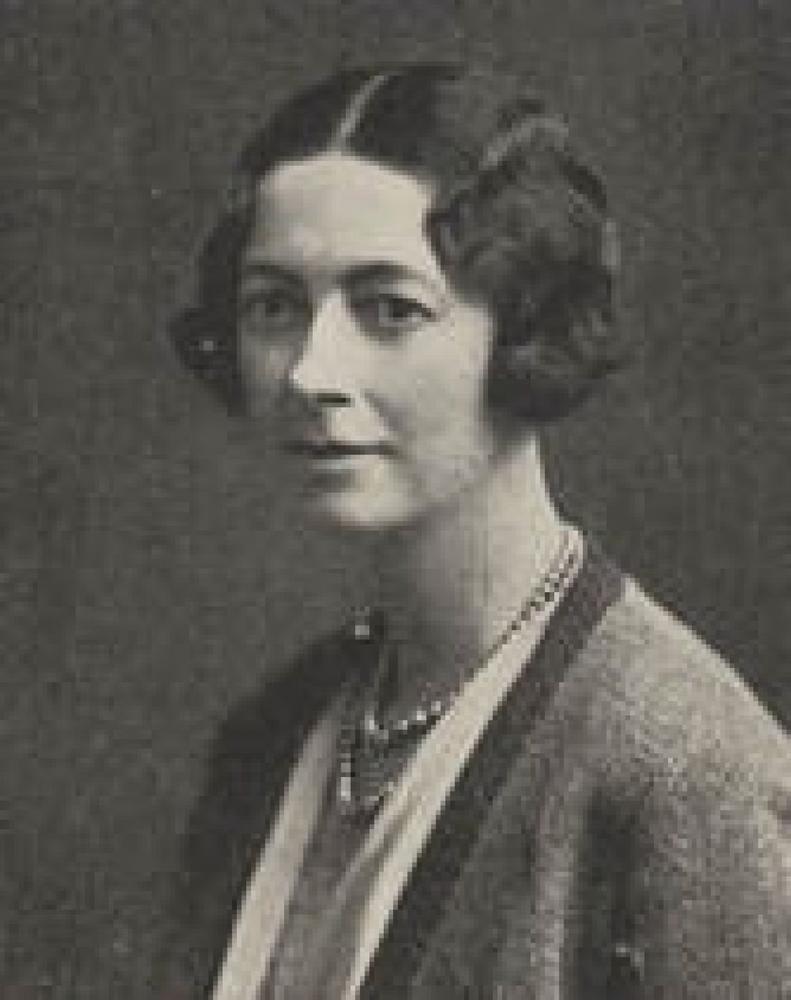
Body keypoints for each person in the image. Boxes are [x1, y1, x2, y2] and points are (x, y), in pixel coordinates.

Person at [160, 64, 791, 998]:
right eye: (274, 305)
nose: (309, 371)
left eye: (389, 308)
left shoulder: (679, 769)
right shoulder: (271, 735)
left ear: (525, 328)